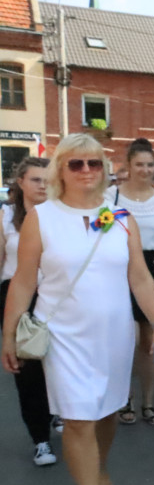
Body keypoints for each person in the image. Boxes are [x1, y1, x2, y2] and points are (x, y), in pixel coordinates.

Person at [1, 133, 154, 485]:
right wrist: (9, 332)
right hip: (63, 336)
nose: (85, 171)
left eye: (93, 163)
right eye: (75, 163)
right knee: (78, 419)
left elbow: (139, 277)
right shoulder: (43, 217)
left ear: (104, 168)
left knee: (107, 411)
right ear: (61, 168)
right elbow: (24, 281)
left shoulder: (121, 217)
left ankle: (100, 468)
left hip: (114, 334)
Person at [105, 138, 154, 427]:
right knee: (127, 338)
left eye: (150, 165)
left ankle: (148, 402)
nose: (145, 170)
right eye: (139, 164)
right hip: (119, 267)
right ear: (128, 166)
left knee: (151, 342)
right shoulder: (111, 196)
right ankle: (125, 399)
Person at [0, 157, 56, 466]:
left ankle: (58, 411)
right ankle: (40, 437)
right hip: (17, 294)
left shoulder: (59, 216)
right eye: (36, 179)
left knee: (57, 360)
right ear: (20, 182)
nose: (43, 185)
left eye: (47, 179)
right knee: (28, 369)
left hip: (55, 296)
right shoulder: (6, 216)